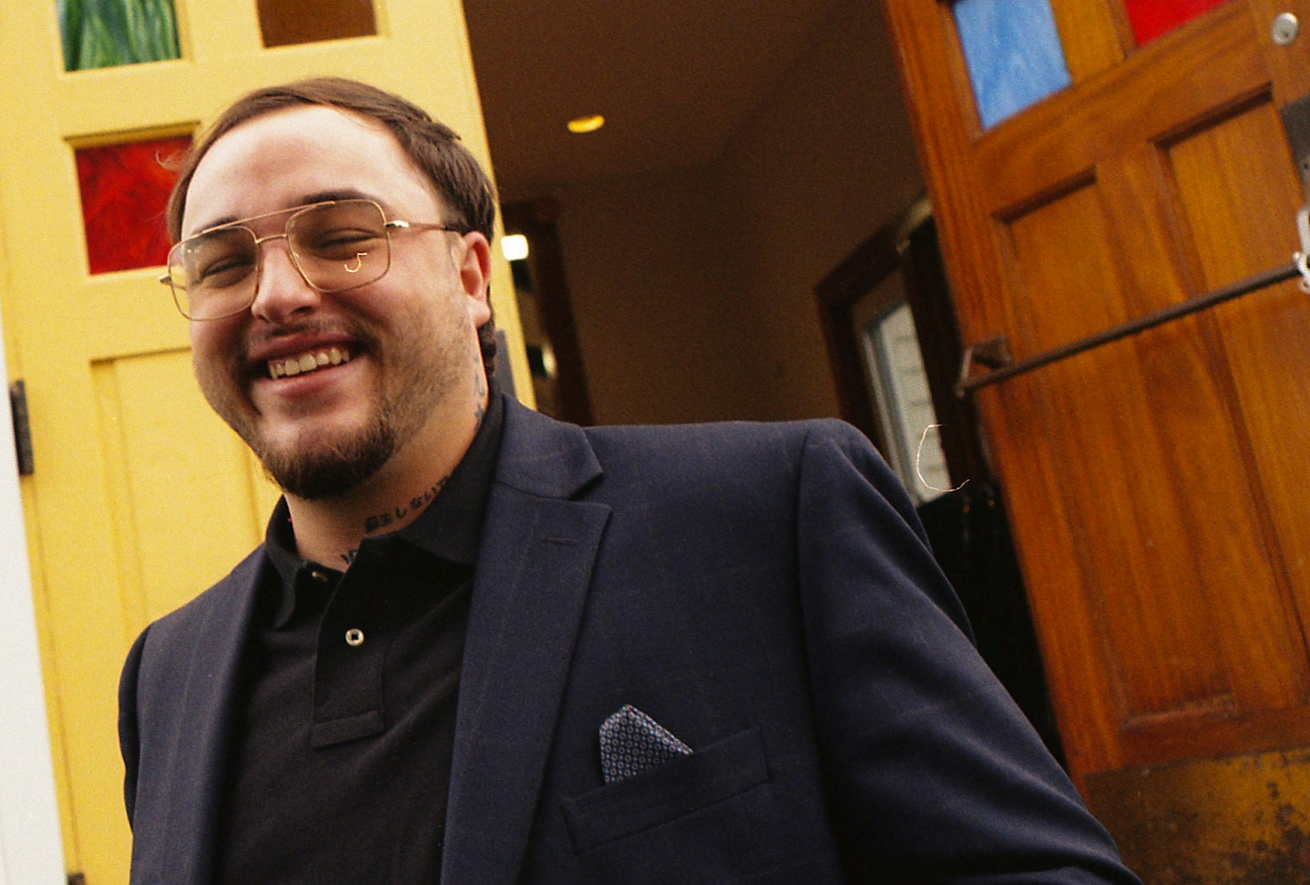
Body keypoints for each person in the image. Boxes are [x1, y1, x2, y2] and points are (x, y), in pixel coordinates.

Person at [118, 77, 1138, 884]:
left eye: (343, 239)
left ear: (472, 278)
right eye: (223, 264)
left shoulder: (766, 514)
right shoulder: (168, 676)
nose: (278, 295)